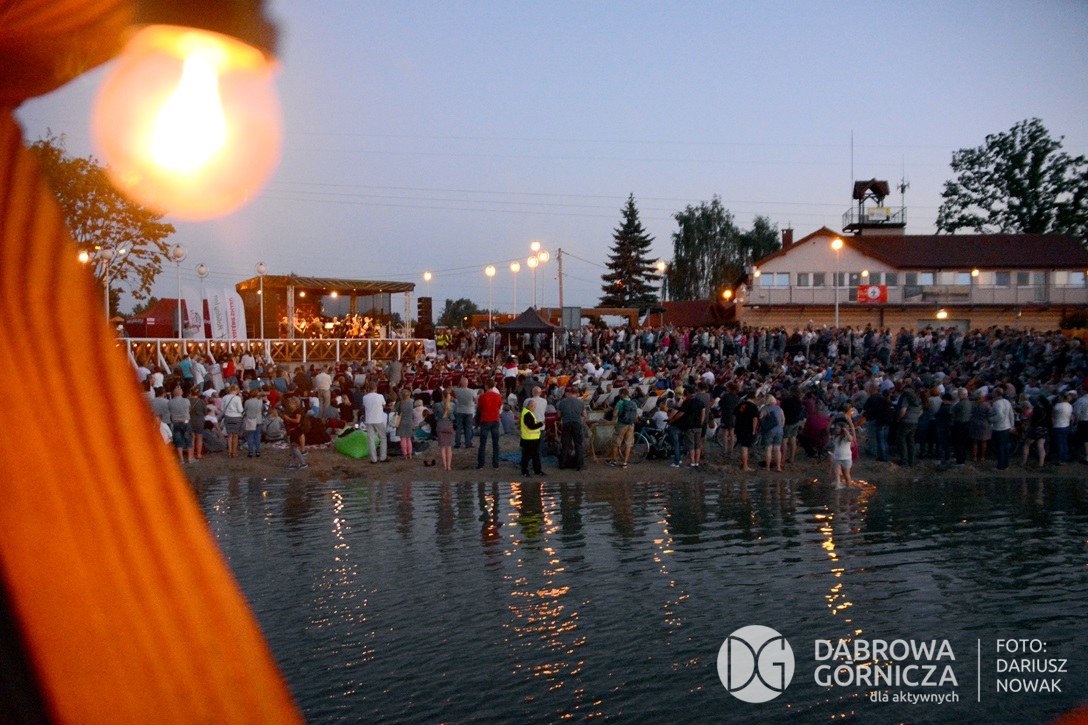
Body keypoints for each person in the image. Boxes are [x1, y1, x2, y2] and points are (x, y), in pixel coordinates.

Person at [556, 385, 586, 470]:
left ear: (570, 392)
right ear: (577, 394)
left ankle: (562, 464)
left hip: (566, 423)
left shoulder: (563, 402)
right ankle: (579, 464)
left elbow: (559, 415)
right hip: (577, 423)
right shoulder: (580, 402)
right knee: (578, 444)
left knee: (565, 444)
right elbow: (584, 414)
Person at [676, 388, 707, 469]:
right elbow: (703, 413)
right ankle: (697, 462)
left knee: (691, 445)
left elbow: (681, 413)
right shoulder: (700, 402)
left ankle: (692, 462)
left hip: (689, 426)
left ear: (688, 393)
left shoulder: (687, 402)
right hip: (698, 426)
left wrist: (673, 419)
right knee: (698, 444)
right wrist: (701, 423)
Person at [607, 387, 638, 468]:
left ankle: (613, 461)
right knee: (628, 444)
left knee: (616, 443)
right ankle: (625, 462)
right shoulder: (633, 403)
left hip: (622, 425)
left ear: (622, 394)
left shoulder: (620, 402)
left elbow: (614, 414)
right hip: (631, 425)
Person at [476, 384, 503, 470]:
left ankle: (481, 464)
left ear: (486, 386)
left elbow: (479, 408)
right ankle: (495, 464)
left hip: (485, 419)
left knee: (483, 443)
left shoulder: (482, 396)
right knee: (495, 443)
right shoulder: (498, 396)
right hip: (495, 419)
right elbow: (499, 406)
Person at [733, 391, 760, 471]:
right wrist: (754, 430)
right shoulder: (753, 407)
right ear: (753, 398)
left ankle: (743, 463)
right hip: (748, 429)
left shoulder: (740, 405)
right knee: (745, 447)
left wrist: (735, 426)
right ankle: (745, 466)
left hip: (739, 428)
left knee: (742, 446)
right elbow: (755, 419)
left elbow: (734, 416)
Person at [362, 381, 388, 464]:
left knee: (371, 439)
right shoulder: (380, 396)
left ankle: (373, 459)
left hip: (369, 419)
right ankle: (383, 457)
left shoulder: (365, 397)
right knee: (383, 438)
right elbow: (384, 405)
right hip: (378, 419)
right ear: (376, 388)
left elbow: (364, 406)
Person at [989, 387, 1015, 471]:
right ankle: (1005, 464)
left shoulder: (997, 403)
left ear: (996, 394)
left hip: (999, 428)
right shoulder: (1007, 402)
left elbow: (1000, 416)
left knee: (999, 447)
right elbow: (1011, 414)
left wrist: (991, 419)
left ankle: (1000, 466)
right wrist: (1012, 426)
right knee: (1005, 447)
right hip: (1007, 427)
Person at [167, 385, 194, 464]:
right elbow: (188, 408)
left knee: (179, 441)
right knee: (188, 440)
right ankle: (190, 458)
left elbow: (170, 410)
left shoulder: (170, 402)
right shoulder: (186, 401)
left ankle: (181, 459)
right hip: (185, 421)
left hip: (176, 422)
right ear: (181, 392)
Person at [519, 397, 545, 476]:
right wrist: (540, 424)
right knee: (528, 456)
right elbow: (531, 426)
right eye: (534, 407)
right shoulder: (528, 414)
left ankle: (536, 470)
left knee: (534, 455)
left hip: (530, 438)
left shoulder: (526, 412)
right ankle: (526, 471)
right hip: (530, 439)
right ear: (531, 406)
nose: (535, 408)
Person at [759, 394, 784, 472]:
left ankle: (767, 467)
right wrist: (781, 427)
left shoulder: (764, 409)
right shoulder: (779, 408)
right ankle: (778, 467)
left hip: (769, 431)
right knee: (777, 449)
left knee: (768, 449)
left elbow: (760, 419)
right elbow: (783, 419)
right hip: (779, 430)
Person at [282, 396, 308, 469]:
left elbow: (297, 421)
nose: (289, 405)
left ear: (295, 404)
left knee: (294, 447)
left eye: (291, 403)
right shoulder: (294, 411)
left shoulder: (298, 411)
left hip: (296, 431)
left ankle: (303, 463)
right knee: (293, 448)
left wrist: (288, 418)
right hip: (293, 430)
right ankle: (294, 463)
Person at [830, 415, 856, 488]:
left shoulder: (846, 437)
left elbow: (850, 439)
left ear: (842, 429)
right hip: (837, 458)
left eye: (837, 428)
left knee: (846, 474)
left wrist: (846, 431)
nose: (836, 430)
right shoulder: (835, 437)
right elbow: (835, 447)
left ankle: (849, 486)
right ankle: (838, 485)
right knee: (837, 473)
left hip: (846, 459)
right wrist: (832, 456)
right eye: (835, 428)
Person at [433, 388, 456, 471]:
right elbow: (453, 417)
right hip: (449, 426)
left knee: (442, 447)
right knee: (449, 447)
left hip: (440, 425)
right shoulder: (452, 405)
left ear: (442, 395)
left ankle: (444, 465)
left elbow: (435, 416)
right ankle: (449, 466)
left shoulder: (437, 405)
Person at [220, 384, 245, 458]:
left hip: (227, 417)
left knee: (229, 435)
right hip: (236, 417)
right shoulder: (237, 398)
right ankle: (234, 452)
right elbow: (240, 410)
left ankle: (230, 451)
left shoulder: (224, 397)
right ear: (236, 390)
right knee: (235, 435)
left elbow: (222, 409)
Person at [453, 377, 477, 449]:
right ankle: (468, 443)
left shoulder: (457, 390)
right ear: (467, 383)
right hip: (469, 411)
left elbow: (451, 390)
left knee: (458, 428)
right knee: (468, 428)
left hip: (460, 410)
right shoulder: (472, 391)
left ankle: (457, 443)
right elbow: (475, 399)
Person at [242, 389, 263, 458]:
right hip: (258, 419)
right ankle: (258, 451)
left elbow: (245, 410)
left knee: (250, 436)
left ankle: (250, 451)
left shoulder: (247, 402)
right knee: (257, 436)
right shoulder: (260, 402)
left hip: (250, 419)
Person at [396, 388, 416, 459]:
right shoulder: (411, 402)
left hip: (402, 421)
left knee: (403, 439)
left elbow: (397, 412)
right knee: (409, 439)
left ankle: (405, 454)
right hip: (409, 421)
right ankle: (410, 454)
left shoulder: (400, 403)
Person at [188, 386, 206, 460]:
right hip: (199, 421)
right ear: (198, 393)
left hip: (190, 421)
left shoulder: (187, 401)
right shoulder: (201, 402)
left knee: (192, 438)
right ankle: (198, 454)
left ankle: (191, 454)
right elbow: (205, 412)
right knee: (199, 438)